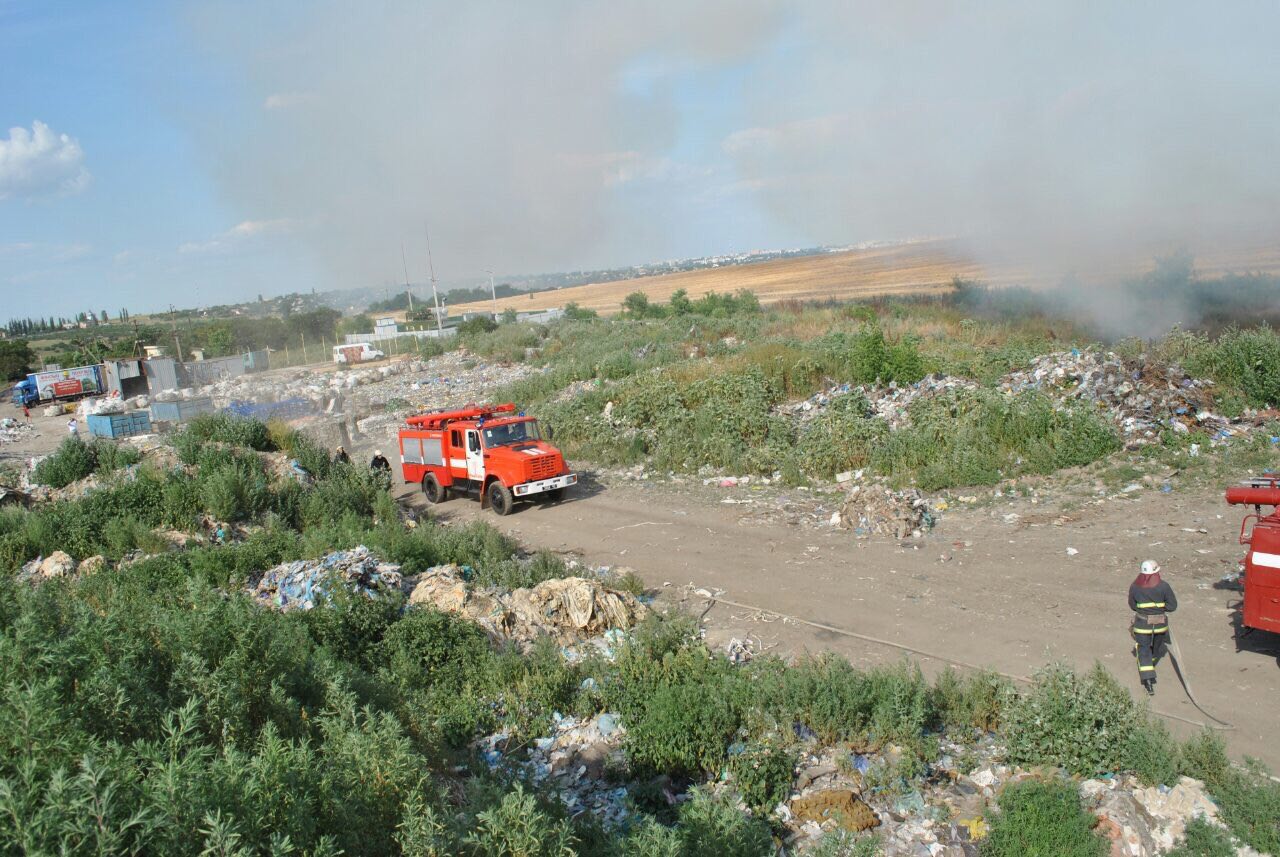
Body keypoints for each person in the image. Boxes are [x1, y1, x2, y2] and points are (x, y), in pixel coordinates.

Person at [1129, 559, 1178, 695]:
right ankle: (1150, 666)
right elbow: (1172, 606)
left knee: (1143, 649)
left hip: (1142, 624)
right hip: (1160, 625)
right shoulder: (1164, 586)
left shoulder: (1134, 587)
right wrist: (1159, 609)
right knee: (1156, 648)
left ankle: (1148, 680)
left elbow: (1132, 605)